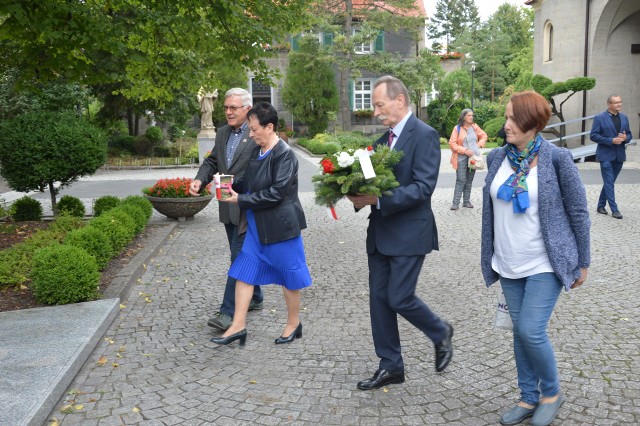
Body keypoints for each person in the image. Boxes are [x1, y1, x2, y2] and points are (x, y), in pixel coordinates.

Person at [481, 91, 591, 426]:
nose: (506, 125)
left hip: (545, 261)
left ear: (533, 123)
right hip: (508, 261)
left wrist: (582, 262)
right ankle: (528, 397)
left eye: (513, 119)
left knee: (531, 329)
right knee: (519, 332)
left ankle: (552, 393)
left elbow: (578, 211)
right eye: (507, 117)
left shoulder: (557, 159)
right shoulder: (497, 158)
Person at [346, 75, 453, 391]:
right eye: (375, 106)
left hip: (409, 233)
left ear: (400, 101)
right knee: (379, 301)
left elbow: (423, 188)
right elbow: (370, 183)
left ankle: (440, 331)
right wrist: (354, 193)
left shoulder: (425, 135)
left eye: (379, 105)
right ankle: (391, 366)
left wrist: (377, 198)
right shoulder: (380, 143)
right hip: (380, 234)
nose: (376, 112)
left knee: (399, 296)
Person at [211, 102, 312, 347]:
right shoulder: (259, 150)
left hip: (281, 228)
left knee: (289, 279)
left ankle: (293, 323)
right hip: (257, 227)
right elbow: (249, 181)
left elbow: (277, 193)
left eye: (255, 129)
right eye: (250, 129)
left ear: (270, 127)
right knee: (243, 273)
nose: (251, 133)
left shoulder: (285, 154)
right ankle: (238, 325)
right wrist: (229, 184)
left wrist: (240, 200)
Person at [189, 88, 264, 331]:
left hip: (247, 206)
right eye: (226, 107)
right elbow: (212, 160)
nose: (228, 112)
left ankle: (227, 313)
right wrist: (201, 180)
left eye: (233, 107)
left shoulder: (256, 133)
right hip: (226, 207)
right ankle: (255, 296)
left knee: (238, 258)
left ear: (247, 109)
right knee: (242, 255)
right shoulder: (222, 133)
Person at [590, 94, 632, 219]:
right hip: (605, 155)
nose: (619, 104)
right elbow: (593, 135)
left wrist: (625, 138)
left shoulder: (624, 118)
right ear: (609, 104)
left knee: (610, 182)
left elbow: (629, 134)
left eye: (620, 102)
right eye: (616, 102)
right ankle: (615, 210)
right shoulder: (599, 118)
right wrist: (611, 140)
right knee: (609, 182)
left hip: (619, 155)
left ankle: (600, 205)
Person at [448, 108, 488, 209]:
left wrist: (479, 145)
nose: (471, 117)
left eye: (472, 115)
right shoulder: (457, 128)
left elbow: (484, 136)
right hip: (461, 158)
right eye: (469, 115)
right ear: (464, 117)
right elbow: (452, 144)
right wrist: (465, 150)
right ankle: (455, 203)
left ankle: (466, 202)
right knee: (461, 179)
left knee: (469, 180)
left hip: (473, 158)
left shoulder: (474, 127)